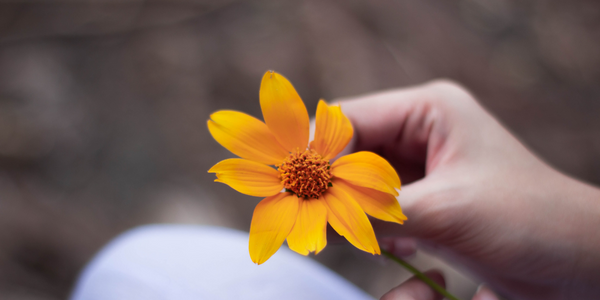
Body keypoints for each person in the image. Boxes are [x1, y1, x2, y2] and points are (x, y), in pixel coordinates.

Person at [70, 81, 600, 300]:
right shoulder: (283, 189)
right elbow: (245, 180)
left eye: (307, 168)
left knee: (136, 269)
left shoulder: (345, 171)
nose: (302, 174)